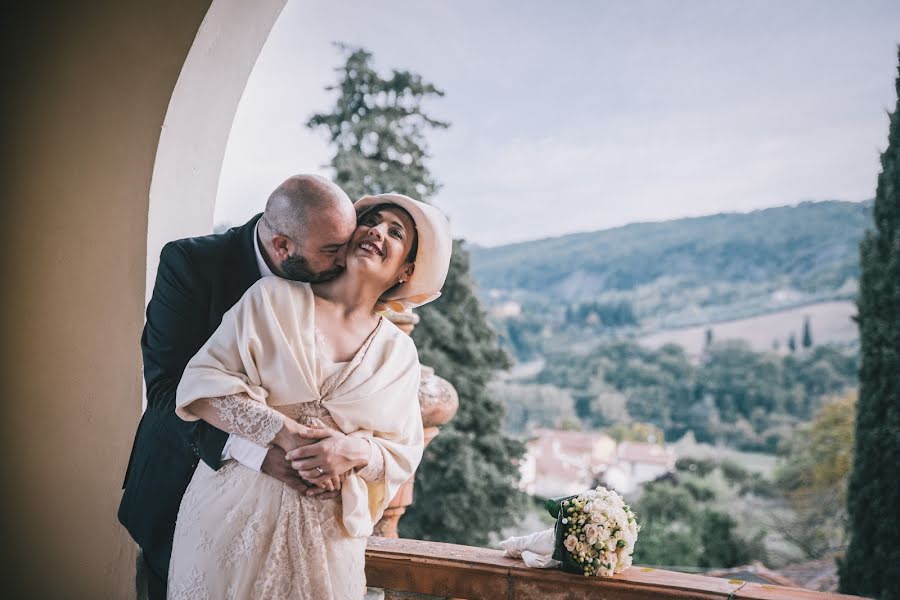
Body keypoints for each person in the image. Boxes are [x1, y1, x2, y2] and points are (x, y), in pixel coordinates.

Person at [167, 194, 452, 599]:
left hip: (327, 540)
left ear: (407, 270)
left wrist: (353, 451)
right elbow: (202, 386)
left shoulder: (398, 353)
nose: (376, 230)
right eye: (370, 221)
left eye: (395, 231)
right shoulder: (272, 298)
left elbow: (403, 452)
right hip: (232, 514)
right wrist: (282, 431)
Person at [118, 175, 360, 600]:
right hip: (178, 488)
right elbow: (166, 390)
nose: (345, 261)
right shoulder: (190, 264)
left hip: (284, 525)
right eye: (331, 250)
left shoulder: (330, 279)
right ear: (283, 246)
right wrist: (257, 452)